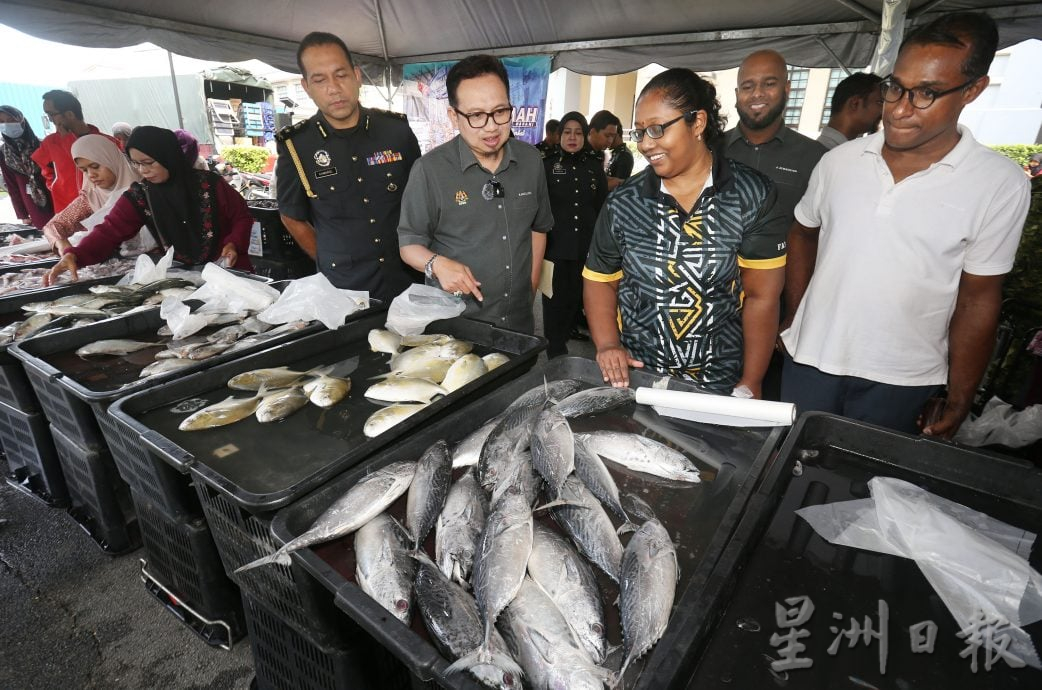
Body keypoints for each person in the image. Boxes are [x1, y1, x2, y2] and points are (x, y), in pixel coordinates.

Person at [780, 11, 1030, 437]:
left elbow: (978, 299)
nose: (898, 109)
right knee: (789, 477)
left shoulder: (999, 184)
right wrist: (796, 315)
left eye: (926, 93)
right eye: (895, 87)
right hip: (808, 363)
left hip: (905, 379)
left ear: (973, 90)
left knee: (868, 493)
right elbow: (803, 232)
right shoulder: (839, 162)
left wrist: (960, 393)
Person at [583, 68, 787, 396]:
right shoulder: (624, 202)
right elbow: (599, 278)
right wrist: (608, 344)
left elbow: (762, 297)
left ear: (698, 123)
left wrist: (751, 380)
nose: (647, 144)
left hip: (719, 381)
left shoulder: (751, 195)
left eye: (657, 129)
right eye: (640, 133)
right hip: (639, 378)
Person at [398, 54, 554, 334]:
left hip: (518, 323)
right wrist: (436, 263)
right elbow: (409, 246)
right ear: (454, 116)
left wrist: (529, 290)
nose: (491, 126)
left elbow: (538, 229)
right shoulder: (429, 171)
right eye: (476, 116)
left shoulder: (531, 161)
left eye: (500, 111)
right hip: (455, 327)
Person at [276, 32, 421, 303]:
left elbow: (422, 201)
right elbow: (291, 216)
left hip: (406, 280)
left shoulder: (396, 131)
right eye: (319, 80)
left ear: (356, 76)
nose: (333, 88)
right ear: (306, 87)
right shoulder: (297, 146)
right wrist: (331, 258)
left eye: (340, 74)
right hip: (344, 291)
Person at [721, 50, 827, 400]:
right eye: (747, 86)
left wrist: (796, 314)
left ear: (786, 88)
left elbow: (818, 240)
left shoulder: (814, 158)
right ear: (736, 94)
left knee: (763, 403)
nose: (757, 94)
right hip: (711, 301)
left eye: (768, 84)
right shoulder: (710, 150)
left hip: (780, 305)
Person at [44, 126, 253, 285]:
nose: (143, 171)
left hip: (231, 271)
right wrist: (76, 254)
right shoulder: (141, 196)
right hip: (186, 279)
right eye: (137, 164)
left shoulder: (211, 184)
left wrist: (234, 242)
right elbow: (109, 231)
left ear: (168, 156)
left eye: (149, 162)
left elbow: (241, 217)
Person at [541, 111, 607, 357]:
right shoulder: (547, 165)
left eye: (578, 132)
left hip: (584, 249)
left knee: (575, 303)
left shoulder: (593, 166)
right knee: (553, 305)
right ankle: (555, 354)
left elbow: (601, 206)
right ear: (559, 136)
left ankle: (565, 342)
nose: (572, 137)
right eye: (567, 132)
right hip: (555, 250)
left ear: (585, 136)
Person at [41, 134, 143, 254]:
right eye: (84, 170)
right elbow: (54, 226)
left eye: (95, 166)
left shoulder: (145, 187)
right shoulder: (92, 197)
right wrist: (62, 244)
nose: (91, 175)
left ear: (111, 159)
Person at [32, 90, 120, 214]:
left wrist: (68, 140)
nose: (50, 119)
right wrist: (56, 186)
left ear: (69, 114)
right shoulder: (50, 143)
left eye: (51, 114)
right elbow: (47, 172)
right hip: (68, 213)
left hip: (105, 211)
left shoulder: (107, 142)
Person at [0, 105, 53, 229]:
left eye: (11, 120)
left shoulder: (41, 145)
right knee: (47, 235)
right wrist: (22, 214)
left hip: (53, 196)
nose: (6, 125)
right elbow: (12, 185)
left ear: (21, 120)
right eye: (1, 122)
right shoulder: (3, 153)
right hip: (31, 202)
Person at [817, 72, 884, 149]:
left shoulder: (821, 150)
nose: (885, 110)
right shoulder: (828, 155)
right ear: (855, 104)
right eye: (880, 102)